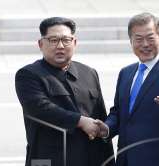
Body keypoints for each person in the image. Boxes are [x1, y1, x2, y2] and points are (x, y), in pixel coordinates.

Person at [96, 12, 159, 166]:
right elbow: (119, 112)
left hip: (158, 158)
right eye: (139, 39)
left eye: (150, 38)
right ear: (131, 41)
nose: (145, 44)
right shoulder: (126, 73)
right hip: (126, 158)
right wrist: (107, 128)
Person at [15, 17, 114, 166]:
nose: (60, 46)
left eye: (66, 40)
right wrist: (80, 121)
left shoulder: (89, 73)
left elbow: (100, 115)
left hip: (90, 158)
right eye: (53, 40)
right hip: (49, 159)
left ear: (74, 43)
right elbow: (40, 108)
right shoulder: (28, 75)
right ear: (41, 44)